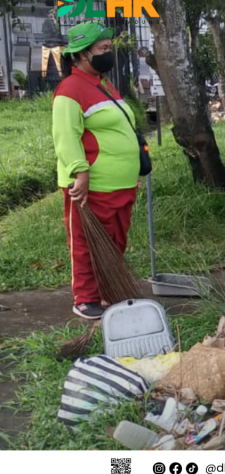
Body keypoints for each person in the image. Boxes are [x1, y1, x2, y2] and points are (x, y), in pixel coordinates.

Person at [53, 21, 142, 319]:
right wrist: (80, 171)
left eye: (109, 47)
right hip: (93, 187)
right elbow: (66, 136)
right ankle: (86, 298)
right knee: (86, 242)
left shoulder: (103, 84)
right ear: (81, 54)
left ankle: (109, 291)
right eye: (103, 49)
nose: (109, 53)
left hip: (122, 185)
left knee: (115, 242)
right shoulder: (70, 89)